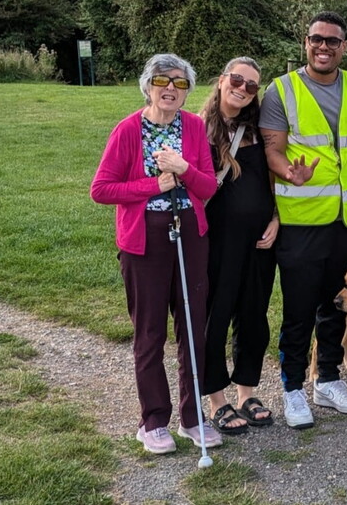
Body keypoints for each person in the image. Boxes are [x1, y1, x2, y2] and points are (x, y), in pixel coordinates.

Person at [260, 11, 347, 428]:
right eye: (317, 39)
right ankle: (293, 388)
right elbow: (272, 150)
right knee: (298, 310)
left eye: (333, 41)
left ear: (344, 47)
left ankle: (328, 380)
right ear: (306, 42)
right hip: (301, 221)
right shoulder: (281, 91)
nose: (324, 47)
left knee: (337, 305)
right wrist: (287, 170)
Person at [91, 53, 222, 454]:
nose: (171, 89)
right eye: (163, 81)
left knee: (192, 327)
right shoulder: (128, 130)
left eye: (180, 84)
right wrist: (153, 185)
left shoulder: (195, 128)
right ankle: (153, 420)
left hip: (190, 236)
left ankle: (192, 417)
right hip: (144, 242)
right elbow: (102, 189)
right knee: (150, 332)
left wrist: (184, 168)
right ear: (148, 85)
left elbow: (208, 189)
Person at [199, 57, 279, 434]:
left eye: (251, 86)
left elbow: (271, 181)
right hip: (218, 241)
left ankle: (247, 390)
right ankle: (216, 397)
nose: (243, 89)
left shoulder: (258, 130)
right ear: (221, 80)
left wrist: (276, 218)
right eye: (237, 80)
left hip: (261, 241)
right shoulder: (198, 130)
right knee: (216, 316)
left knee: (253, 317)